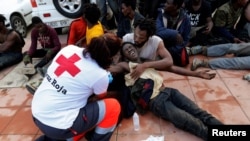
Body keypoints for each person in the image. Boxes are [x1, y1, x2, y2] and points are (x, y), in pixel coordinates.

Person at [109, 42, 223, 141]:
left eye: (130, 47)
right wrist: (116, 57)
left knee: (200, 113)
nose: (129, 50)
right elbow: (111, 69)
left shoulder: (147, 62)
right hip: (157, 101)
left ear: (136, 49)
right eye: (126, 51)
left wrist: (196, 74)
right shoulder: (126, 66)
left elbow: (172, 68)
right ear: (125, 56)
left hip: (170, 92)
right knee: (191, 122)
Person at [32, 33, 122, 141]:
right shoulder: (100, 75)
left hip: (37, 112)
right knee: (113, 106)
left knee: (80, 102)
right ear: (110, 56)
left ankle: (67, 136)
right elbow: (100, 96)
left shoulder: (69, 49)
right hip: (58, 126)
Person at [123, 18, 216, 80]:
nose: (136, 39)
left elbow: (169, 63)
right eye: (135, 35)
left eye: (141, 38)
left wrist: (196, 74)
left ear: (149, 37)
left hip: (147, 76)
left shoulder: (156, 42)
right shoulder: (126, 38)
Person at [156, 0, 191, 66]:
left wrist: (169, 51)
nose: (165, 4)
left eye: (168, 3)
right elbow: (158, 31)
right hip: (162, 45)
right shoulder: (161, 14)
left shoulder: (186, 18)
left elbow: (185, 40)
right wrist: (175, 34)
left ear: (175, 6)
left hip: (175, 49)